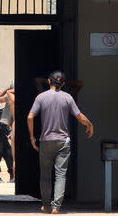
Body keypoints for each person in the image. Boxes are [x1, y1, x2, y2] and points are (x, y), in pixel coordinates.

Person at [27, 71, 94, 214]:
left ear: (49, 82)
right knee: (60, 175)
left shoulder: (41, 97)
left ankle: (46, 205)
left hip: (45, 141)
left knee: (45, 176)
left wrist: (32, 138)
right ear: (63, 84)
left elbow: (30, 117)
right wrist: (89, 124)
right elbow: (79, 116)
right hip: (63, 142)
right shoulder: (67, 97)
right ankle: (56, 207)